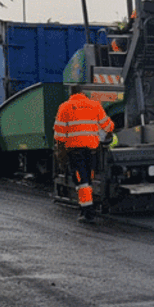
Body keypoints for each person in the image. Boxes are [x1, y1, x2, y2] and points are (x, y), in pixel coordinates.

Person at [54, 89, 117, 222]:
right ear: (85, 96)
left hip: (75, 151)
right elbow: (108, 127)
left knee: (82, 182)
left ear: (71, 95)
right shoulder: (95, 105)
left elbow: (59, 134)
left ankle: (88, 212)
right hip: (92, 151)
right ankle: (88, 208)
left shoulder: (65, 107)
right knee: (88, 179)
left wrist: (60, 152)